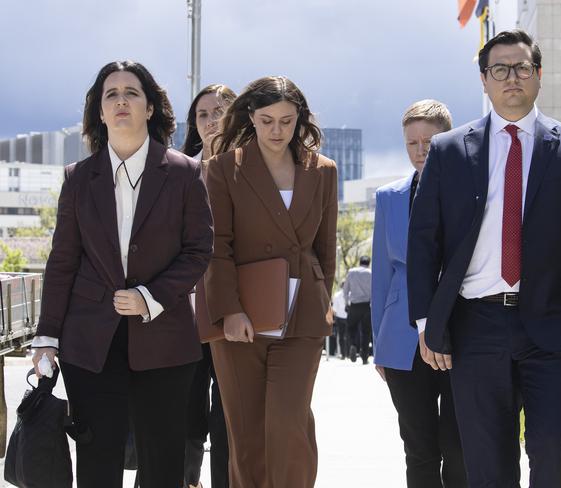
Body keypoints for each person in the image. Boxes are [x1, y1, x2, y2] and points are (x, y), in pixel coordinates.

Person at [407, 29, 561, 488]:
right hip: (475, 327)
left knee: (552, 449)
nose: (512, 77)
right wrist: (426, 322)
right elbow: (424, 240)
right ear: (484, 81)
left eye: (522, 68)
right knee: (487, 464)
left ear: (538, 76)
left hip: (554, 324)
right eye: (499, 69)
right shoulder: (449, 151)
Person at [30, 60, 214, 488]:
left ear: (150, 108)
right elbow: (62, 262)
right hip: (91, 343)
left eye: (131, 93)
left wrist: (151, 296)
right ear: (100, 111)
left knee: (163, 464)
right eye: (110, 95)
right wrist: (46, 337)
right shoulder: (78, 179)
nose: (120, 101)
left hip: (166, 339)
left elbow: (198, 251)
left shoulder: (186, 173)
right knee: (97, 462)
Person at [203, 76, 338, 487]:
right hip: (241, 318)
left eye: (287, 120)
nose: (277, 131)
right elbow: (216, 247)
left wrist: (320, 304)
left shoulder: (323, 171)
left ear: (300, 119)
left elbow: (325, 249)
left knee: (288, 424)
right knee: (246, 434)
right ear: (251, 118)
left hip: (304, 319)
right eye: (267, 121)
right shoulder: (224, 169)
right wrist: (229, 310)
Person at [372, 99, 466, 488]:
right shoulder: (389, 197)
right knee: (418, 447)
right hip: (401, 339)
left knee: (459, 445)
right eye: (412, 143)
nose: (421, 150)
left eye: (430, 140)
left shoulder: (472, 191)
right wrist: (380, 344)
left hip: (460, 333)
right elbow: (382, 275)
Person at [180, 83, 237, 488]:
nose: (211, 120)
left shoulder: (249, 170)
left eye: (220, 111)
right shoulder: (177, 171)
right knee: (184, 408)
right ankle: (186, 479)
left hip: (234, 310)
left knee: (228, 414)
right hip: (183, 311)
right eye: (203, 113)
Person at [344, 256, 372, 364]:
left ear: (359, 262)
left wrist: (346, 303)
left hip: (354, 305)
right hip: (367, 306)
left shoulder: (352, 272)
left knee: (351, 327)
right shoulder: (371, 273)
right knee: (366, 332)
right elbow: (375, 291)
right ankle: (364, 357)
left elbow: (346, 290)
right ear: (368, 263)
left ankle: (353, 344)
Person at [331, 283, 348, 358]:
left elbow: (334, 309)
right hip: (349, 317)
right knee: (349, 335)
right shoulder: (350, 294)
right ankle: (348, 353)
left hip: (339, 317)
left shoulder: (337, 295)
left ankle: (343, 354)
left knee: (341, 336)